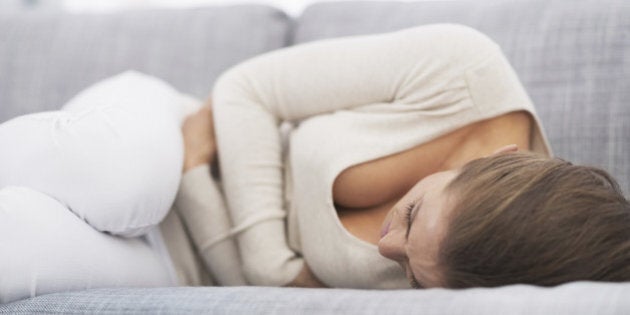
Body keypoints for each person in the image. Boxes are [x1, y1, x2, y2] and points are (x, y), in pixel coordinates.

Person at [1, 24, 628, 303]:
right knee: (122, 182)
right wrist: (271, 260)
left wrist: (205, 175)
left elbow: (246, 291)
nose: (389, 257)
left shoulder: (469, 275)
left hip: (175, 264)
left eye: (410, 277)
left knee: (16, 257)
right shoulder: (463, 69)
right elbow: (246, 91)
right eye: (410, 218)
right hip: (163, 137)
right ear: (499, 162)